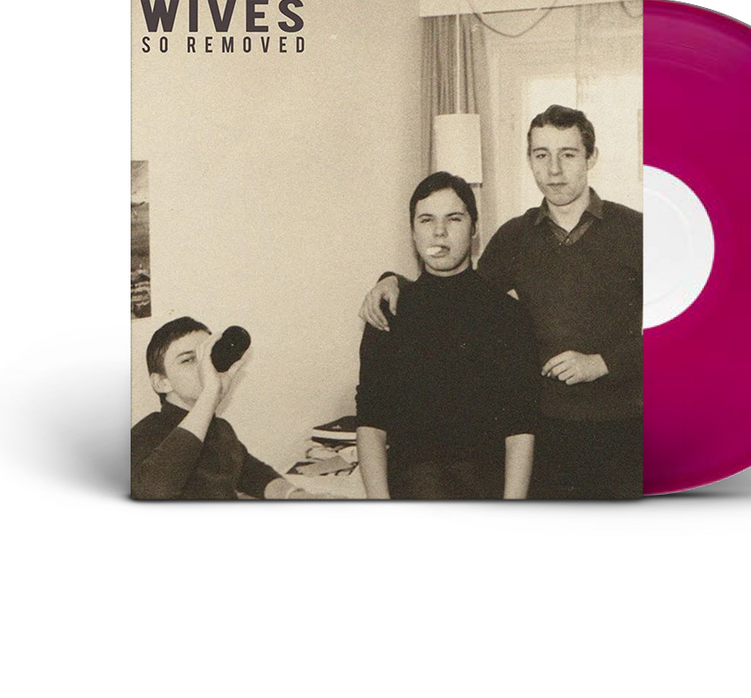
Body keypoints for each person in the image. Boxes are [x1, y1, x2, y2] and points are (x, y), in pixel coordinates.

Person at [361, 106, 642, 498]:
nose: (554, 170)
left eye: (568, 154)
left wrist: (603, 362)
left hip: (625, 427)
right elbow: (459, 291)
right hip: (543, 434)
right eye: (541, 155)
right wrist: (393, 282)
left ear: (591, 157)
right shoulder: (514, 237)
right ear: (529, 160)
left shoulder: (635, 231)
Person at [355, 172, 538, 499]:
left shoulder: (507, 314)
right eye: (426, 220)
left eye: (454, 218)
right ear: (413, 231)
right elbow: (371, 422)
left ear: (475, 227)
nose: (439, 231)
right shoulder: (388, 311)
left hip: (486, 490)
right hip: (412, 491)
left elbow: (520, 429)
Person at [131, 316, 322, 500]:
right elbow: (154, 491)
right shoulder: (145, 432)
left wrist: (294, 495)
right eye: (188, 359)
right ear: (162, 383)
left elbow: (254, 474)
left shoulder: (220, 429)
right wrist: (210, 394)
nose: (205, 367)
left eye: (208, 356)